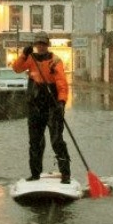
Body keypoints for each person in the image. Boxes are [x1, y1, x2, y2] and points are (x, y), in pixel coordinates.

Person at [11, 32, 72, 183]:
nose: (41, 46)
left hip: (52, 106)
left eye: (43, 44)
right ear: (35, 45)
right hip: (35, 106)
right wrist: (23, 55)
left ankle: (65, 174)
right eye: (38, 44)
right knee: (35, 142)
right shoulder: (30, 59)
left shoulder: (55, 61)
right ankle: (35, 173)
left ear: (47, 45)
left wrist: (62, 102)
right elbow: (17, 68)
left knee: (57, 141)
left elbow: (62, 83)